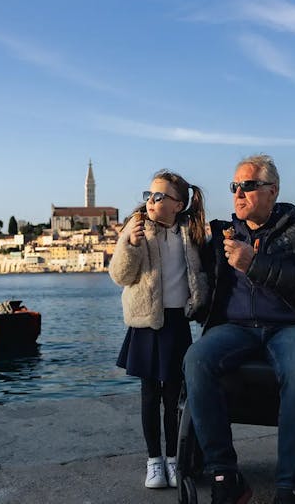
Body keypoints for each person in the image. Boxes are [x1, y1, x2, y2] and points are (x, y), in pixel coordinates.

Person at [184, 154, 295, 504]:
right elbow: (181, 255)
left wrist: (255, 265)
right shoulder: (223, 233)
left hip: (294, 327)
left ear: (272, 191)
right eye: (234, 186)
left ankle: (290, 487)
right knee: (196, 360)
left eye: (248, 186)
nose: (239, 193)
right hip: (236, 328)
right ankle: (225, 475)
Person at [109, 170, 210, 490]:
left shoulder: (188, 233)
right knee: (150, 394)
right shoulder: (136, 229)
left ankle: (173, 458)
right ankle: (154, 461)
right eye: (148, 196)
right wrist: (131, 243)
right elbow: (120, 276)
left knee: (174, 396)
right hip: (146, 322)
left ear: (178, 204)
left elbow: (201, 273)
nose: (150, 202)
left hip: (177, 322)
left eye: (159, 196)